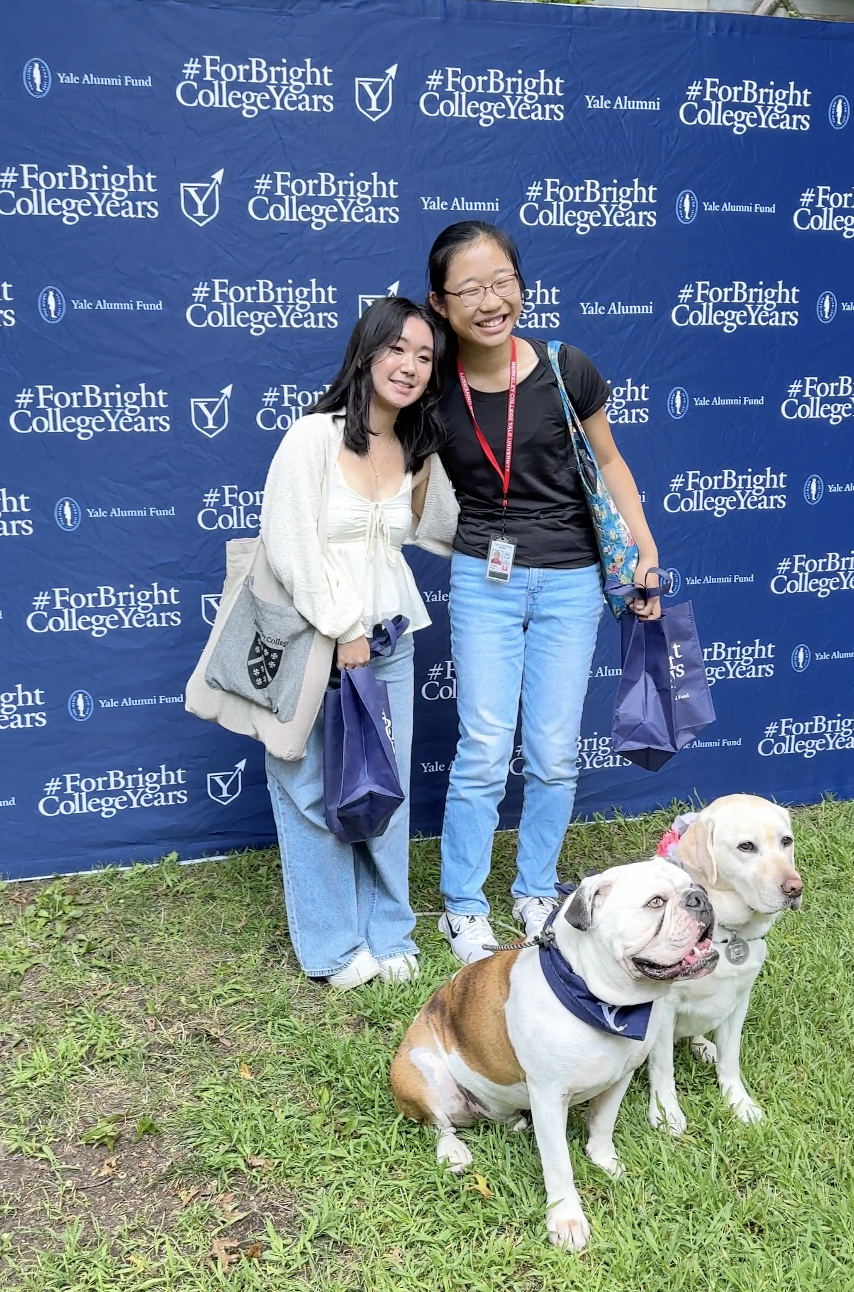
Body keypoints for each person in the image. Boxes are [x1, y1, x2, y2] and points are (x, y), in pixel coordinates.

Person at [426, 220, 662, 965]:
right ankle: (462, 907)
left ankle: (534, 890)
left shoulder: (566, 368)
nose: (490, 301)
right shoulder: (431, 381)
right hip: (481, 580)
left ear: (521, 286)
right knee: (485, 747)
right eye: (469, 289)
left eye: (502, 281)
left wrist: (645, 552)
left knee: (555, 752)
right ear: (440, 304)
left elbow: (613, 463)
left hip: (570, 581)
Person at [259, 297, 445, 989]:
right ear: (367, 353)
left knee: (379, 791)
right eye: (398, 349)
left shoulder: (417, 449)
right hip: (317, 644)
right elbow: (289, 543)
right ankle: (335, 948)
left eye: (425, 357)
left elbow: (440, 531)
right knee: (309, 790)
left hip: (391, 643)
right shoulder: (313, 437)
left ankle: (389, 927)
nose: (410, 366)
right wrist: (342, 628)